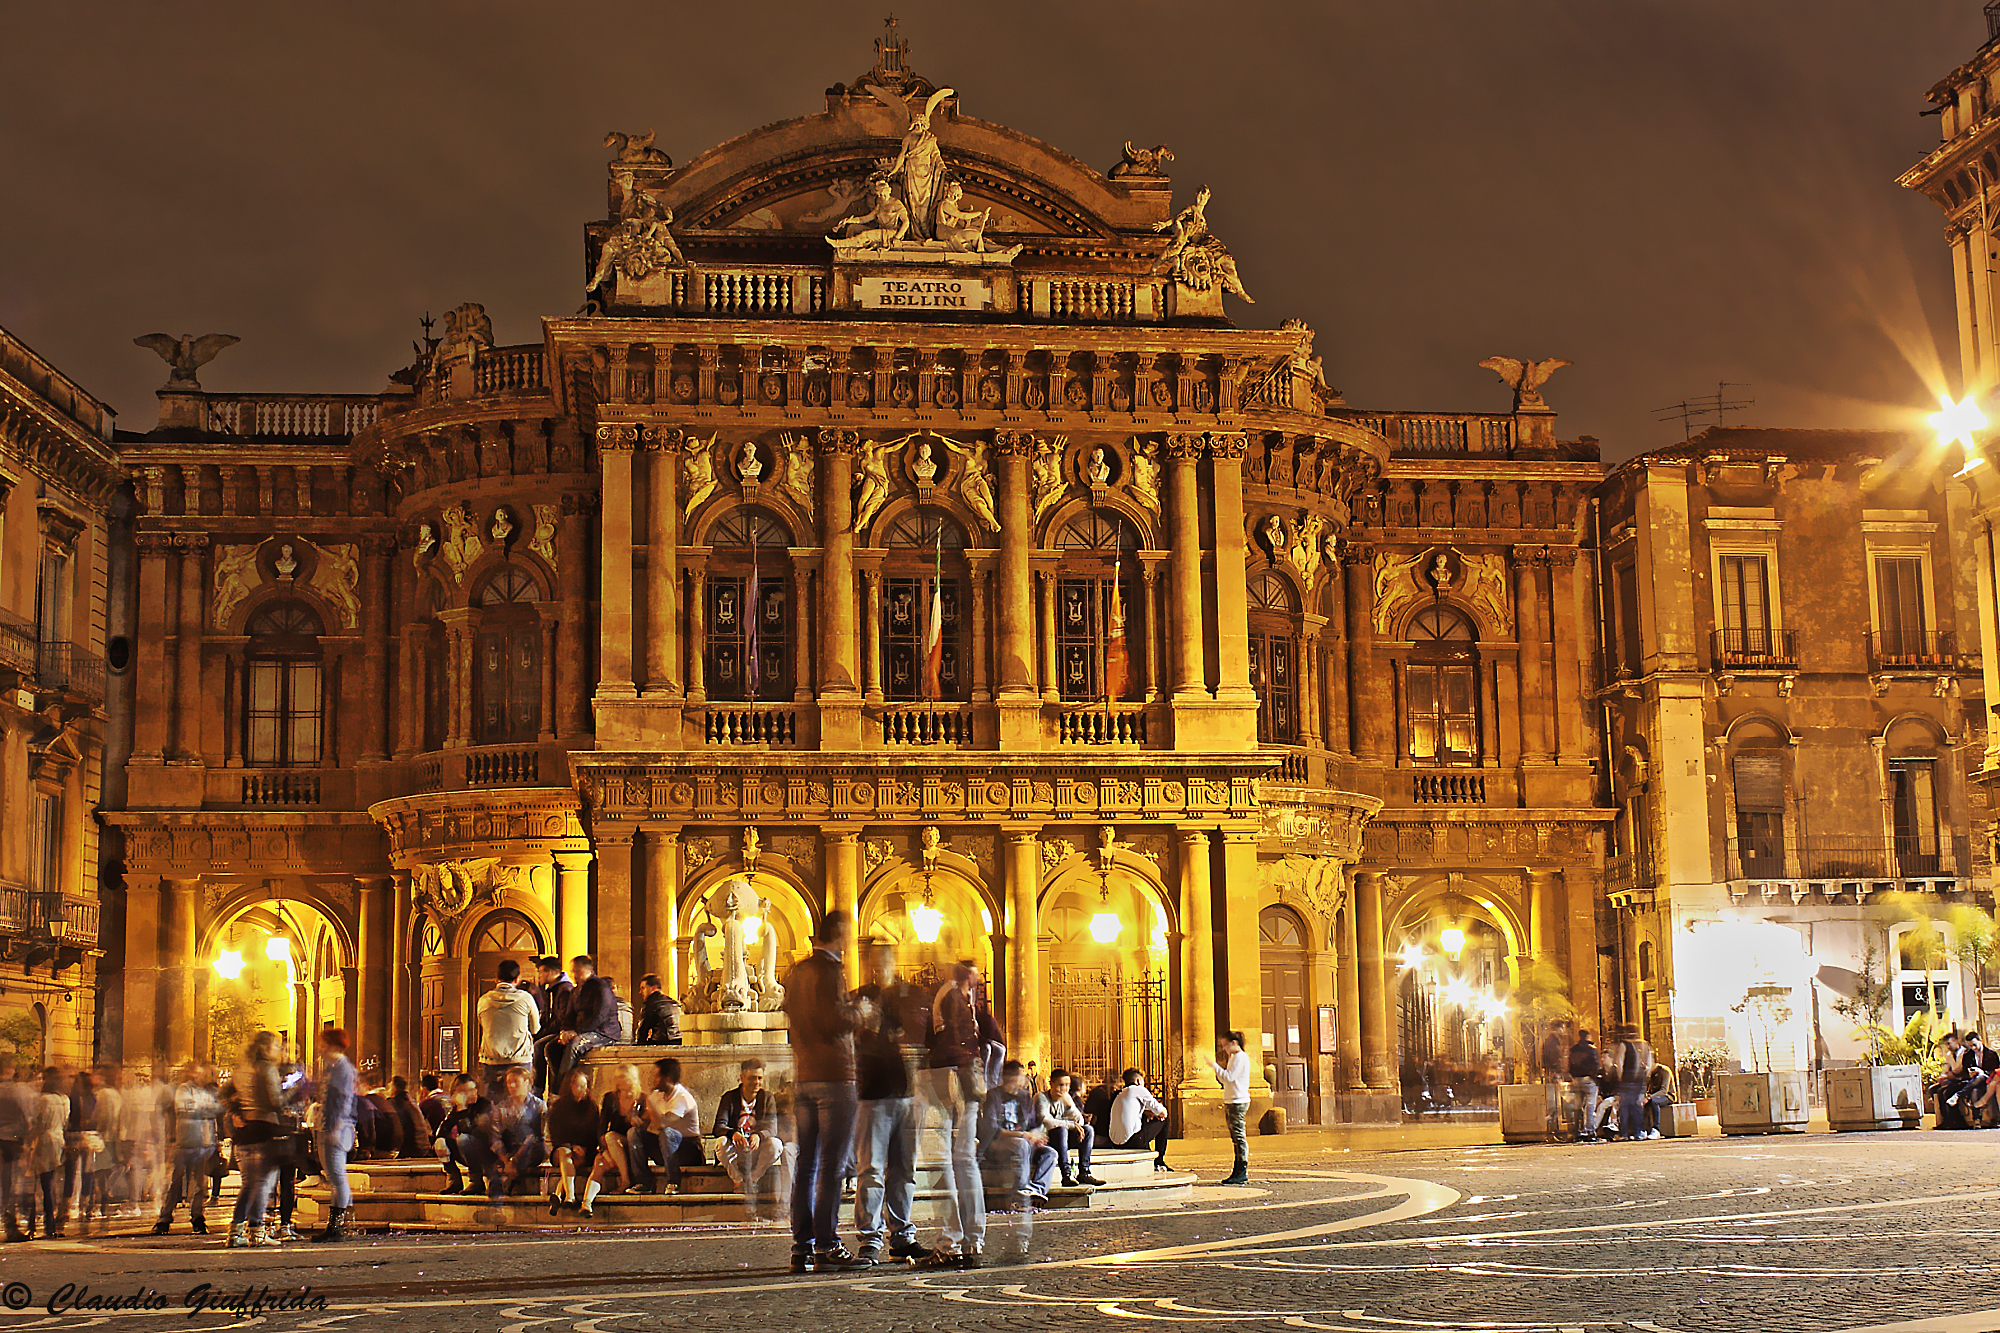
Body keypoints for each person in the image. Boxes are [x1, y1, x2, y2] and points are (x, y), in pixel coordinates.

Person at [782, 909, 862, 1273]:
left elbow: (795, 1020)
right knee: (831, 1166)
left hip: (805, 1076)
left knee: (807, 1163)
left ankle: (802, 1246)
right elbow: (832, 1021)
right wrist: (861, 1014)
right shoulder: (831, 971)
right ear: (838, 933)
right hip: (834, 1075)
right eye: (847, 933)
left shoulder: (797, 972)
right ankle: (828, 1244)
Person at [850, 942, 927, 1262]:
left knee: (904, 1169)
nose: (883, 967)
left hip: (907, 1091)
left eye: (888, 961)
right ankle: (870, 1237)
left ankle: (902, 1236)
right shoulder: (858, 997)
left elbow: (919, 1034)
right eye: (877, 961)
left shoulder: (906, 995)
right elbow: (851, 1039)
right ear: (870, 964)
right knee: (871, 1169)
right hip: (873, 1093)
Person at [922, 959, 987, 1268]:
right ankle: (974, 1240)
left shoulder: (950, 995)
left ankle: (952, 1241)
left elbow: (949, 1038)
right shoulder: (966, 999)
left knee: (943, 1161)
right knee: (966, 1161)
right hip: (970, 1077)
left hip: (950, 1075)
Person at [226, 1031, 286, 1248]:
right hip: (263, 1130)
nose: (279, 1050)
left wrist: (236, 1111)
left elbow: (224, 1093)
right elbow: (275, 1101)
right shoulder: (267, 1069)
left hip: (243, 1134)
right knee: (262, 1183)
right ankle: (257, 1231)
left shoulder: (241, 1069)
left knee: (248, 1184)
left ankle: (235, 1232)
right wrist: (293, 1092)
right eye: (276, 1046)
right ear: (266, 1048)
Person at [461, 1065, 546, 1212]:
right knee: (469, 1142)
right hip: (508, 1150)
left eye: (515, 1081)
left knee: (534, 1147)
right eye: (509, 1082)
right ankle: (496, 1193)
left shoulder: (538, 1106)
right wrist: (507, 1160)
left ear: (527, 1082)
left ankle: (506, 1182)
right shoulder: (502, 1107)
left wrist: (514, 1160)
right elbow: (496, 1137)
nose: (512, 1086)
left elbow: (537, 1136)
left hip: (528, 1149)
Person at [153, 1062, 220, 1236]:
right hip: (185, 1141)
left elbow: (219, 1108)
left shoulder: (209, 1091)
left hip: (204, 1142)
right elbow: (185, 1109)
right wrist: (207, 1109)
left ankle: (197, 1217)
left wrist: (203, 1109)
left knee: (200, 1184)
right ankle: (164, 1218)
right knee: (175, 1181)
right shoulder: (184, 1089)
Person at [980, 1058, 1056, 1212]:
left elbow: (1033, 1123)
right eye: (1021, 1076)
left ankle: (1036, 1191)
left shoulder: (1024, 1096)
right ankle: (1019, 1194)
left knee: (1050, 1153)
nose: (1025, 1079)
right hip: (998, 1144)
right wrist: (1024, 1135)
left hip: (1025, 1142)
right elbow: (993, 1130)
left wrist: (1037, 1135)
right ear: (1010, 1078)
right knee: (1021, 1144)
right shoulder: (994, 1096)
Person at [713, 1059, 781, 1223]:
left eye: (759, 1078)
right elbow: (718, 1127)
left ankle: (753, 1179)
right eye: (752, 1078)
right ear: (742, 1078)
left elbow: (772, 1128)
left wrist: (759, 1135)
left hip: (756, 1147)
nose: (756, 1082)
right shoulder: (729, 1098)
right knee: (721, 1143)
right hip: (737, 1146)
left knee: (776, 1145)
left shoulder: (767, 1098)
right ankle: (739, 1181)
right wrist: (733, 1133)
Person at [631, 1057, 703, 1194]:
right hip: (665, 1149)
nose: (653, 1079)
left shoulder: (682, 1097)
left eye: (656, 1076)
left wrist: (649, 1103)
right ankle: (643, 1182)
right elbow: (645, 1123)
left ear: (668, 1078)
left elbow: (664, 1123)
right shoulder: (657, 1095)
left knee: (667, 1133)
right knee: (633, 1133)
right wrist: (637, 1119)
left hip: (688, 1151)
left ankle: (673, 1182)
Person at [581, 1064, 643, 1215]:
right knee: (600, 1163)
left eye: (622, 1076)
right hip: (612, 1147)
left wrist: (639, 1123)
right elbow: (602, 1126)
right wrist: (605, 1150)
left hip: (631, 1147)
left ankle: (626, 1181)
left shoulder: (641, 1099)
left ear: (631, 1078)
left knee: (611, 1137)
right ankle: (586, 1203)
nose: (618, 1080)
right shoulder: (610, 1098)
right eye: (617, 1076)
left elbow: (647, 1130)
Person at [314, 1029, 358, 1241]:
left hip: (335, 1128)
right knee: (335, 1177)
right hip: (332, 1125)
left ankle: (338, 1226)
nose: (320, 1048)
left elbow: (339, 1099)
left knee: (337, 1177)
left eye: (323, 1043)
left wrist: (332, 1126)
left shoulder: (341, 1068)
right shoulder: (336, 1067)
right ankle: (340, 1225)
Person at [558, 956, 623, 1086]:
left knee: (574, 1046)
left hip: (603, 1032)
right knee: (549, 1047)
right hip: (581, 1030)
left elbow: (599, 1017)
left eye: (576, 971)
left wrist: (576, 1032)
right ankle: (556, 1083)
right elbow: (569, 1015)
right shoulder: (576, 991)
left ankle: (562, 1087)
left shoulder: (601, 988)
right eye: (573, 971)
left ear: (586, 970)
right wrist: (564, 1032)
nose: (574, 975)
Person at [477, 959, 540, 1093]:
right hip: (520, 1060)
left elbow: (482, 1024)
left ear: (496, 978)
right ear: (517, 979)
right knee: (521, 1106)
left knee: (493, 1108)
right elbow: (535, 1029)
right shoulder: (526, 999)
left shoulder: (483, 1000)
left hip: (491, 1060)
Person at [547, 1067, 600, 1215]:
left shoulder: (592, 1107)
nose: (583, 1090)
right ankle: (569, 1196)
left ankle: (559, 1195)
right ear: (570, 1086)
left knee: (570, 1162)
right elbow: (555, 1134)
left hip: (583, 1152)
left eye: (585, 1086)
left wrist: (583, 1149)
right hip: (563, 1148)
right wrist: (570, 1145)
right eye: (579, 1086)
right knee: (565, 1153)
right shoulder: (558, 1107)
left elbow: (594, 1133)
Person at [1037, 1069, 1102, 1190]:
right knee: (1061, 1130)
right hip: (1045, 1138)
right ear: (1051, 1084)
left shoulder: (1066, 1097)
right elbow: (1046, 1121)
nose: (1064, 1089)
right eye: (1061, 1085)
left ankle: (1084, 1172)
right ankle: (1066, 1174)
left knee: (1088, 1130)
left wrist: (1069, 1105)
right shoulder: (1041, 1098)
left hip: (1064, 1139)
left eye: (1067, 1085)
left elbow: (1080, 1121)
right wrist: (1071, 1125)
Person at [432, 1074, 488, 1195]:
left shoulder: (484, 1105)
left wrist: (462, 1110)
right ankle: (454, 1179)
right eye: (463, 1091)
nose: (468, 1094)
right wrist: (440, 1138)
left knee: (463, 1139)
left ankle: (476, 1180)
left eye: (471, 1090)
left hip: (486, 1152)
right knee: (441, 1141)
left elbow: (474, 1132)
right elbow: (444, 1126)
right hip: (467, 1152)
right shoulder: (457, 1109)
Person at [30, 1068, 69, 1240]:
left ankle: (39, 1224)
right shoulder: (64, 1100)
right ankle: (50, 1223)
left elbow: (40, 1121)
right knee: (50, 1183)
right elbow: (66, 1120)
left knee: (39, 1183)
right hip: (59, 1139)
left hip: (45, 1141)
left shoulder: (44, 1100)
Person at [1209, 1031, 1252, 1185]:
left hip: (1237, 1101)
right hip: (1233, 1100)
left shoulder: (1240, 1057)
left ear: (1234, 1042)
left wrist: (1214, 1066)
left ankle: (1241, 1170)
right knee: (1236, 1137)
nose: (1224, 1048)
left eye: (1225, 1045)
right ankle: (1238, 1170)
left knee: (1239, 1137)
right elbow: (1227, 1079)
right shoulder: (1235, 1058)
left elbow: (1228, 1077)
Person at [1109, 1068, 1171, 1170]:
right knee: (1165, 1120)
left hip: (1116, 1143)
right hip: (1133, 1141)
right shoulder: (1139, 1089)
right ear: (1138, 1081)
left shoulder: (1120, 1094)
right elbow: (1163, 1112)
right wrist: (1157, 1114)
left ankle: (1148, 1151)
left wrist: (1148, 1113)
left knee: (1143, 1120)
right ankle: (1159, 1161)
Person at [532, 957, 574, 1097]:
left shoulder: (565, 990)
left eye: (541, 972)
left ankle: (539, 1089)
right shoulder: (551, 990)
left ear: (550, 972)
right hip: (552, 1030)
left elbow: (561, 1019)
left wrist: (542, 1033)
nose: (539, 976)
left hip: (562, 1032)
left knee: (540, 1046)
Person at [1567, 1028, 1602, 1142]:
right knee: (1590, 1106)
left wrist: (1573, 1077)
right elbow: (1595, 1066)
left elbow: (1570, 1066)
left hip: (1576, 1080)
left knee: (1577, 1106)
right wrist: (1595, 1078)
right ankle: (1590, 1132)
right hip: (1588, 1080)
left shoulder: (1573, 1050)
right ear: (1588, 1037)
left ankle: (1575, 1132)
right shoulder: (1591, 1050)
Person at [636, 974, 683, 1046]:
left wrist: (638, 1047)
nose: (640, 992)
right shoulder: (673, 1002)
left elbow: (643, 1029)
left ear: (653, 988)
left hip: (663, 1041)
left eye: (643, 988)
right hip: (679, 1040)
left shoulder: (651, 1002)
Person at [1641, 1059, 1678, 1139]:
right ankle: (1643, 1130)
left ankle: (1656, 1129)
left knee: (1654, 1102)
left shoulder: (1664, 1071)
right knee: (1642, 1104)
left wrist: (1649, 1097)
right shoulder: (1648, 1073)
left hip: (1668, 1096)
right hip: (1653, 1096)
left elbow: (1664, 1091)